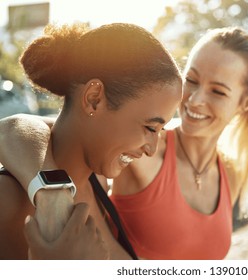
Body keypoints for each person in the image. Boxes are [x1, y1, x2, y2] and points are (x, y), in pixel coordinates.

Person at [0, 27, 248, 259]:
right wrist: (51, 193)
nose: (194, 100)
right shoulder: (134, 155)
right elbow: (23, 128)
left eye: (218, 91)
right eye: (190, 80)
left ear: (246, 102)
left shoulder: (229, 172)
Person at [0, 22, 182, 259]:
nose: (151, 148)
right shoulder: (7, 203)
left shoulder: (97, 180)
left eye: (160, 130)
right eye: (150, 127)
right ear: (94, 99)